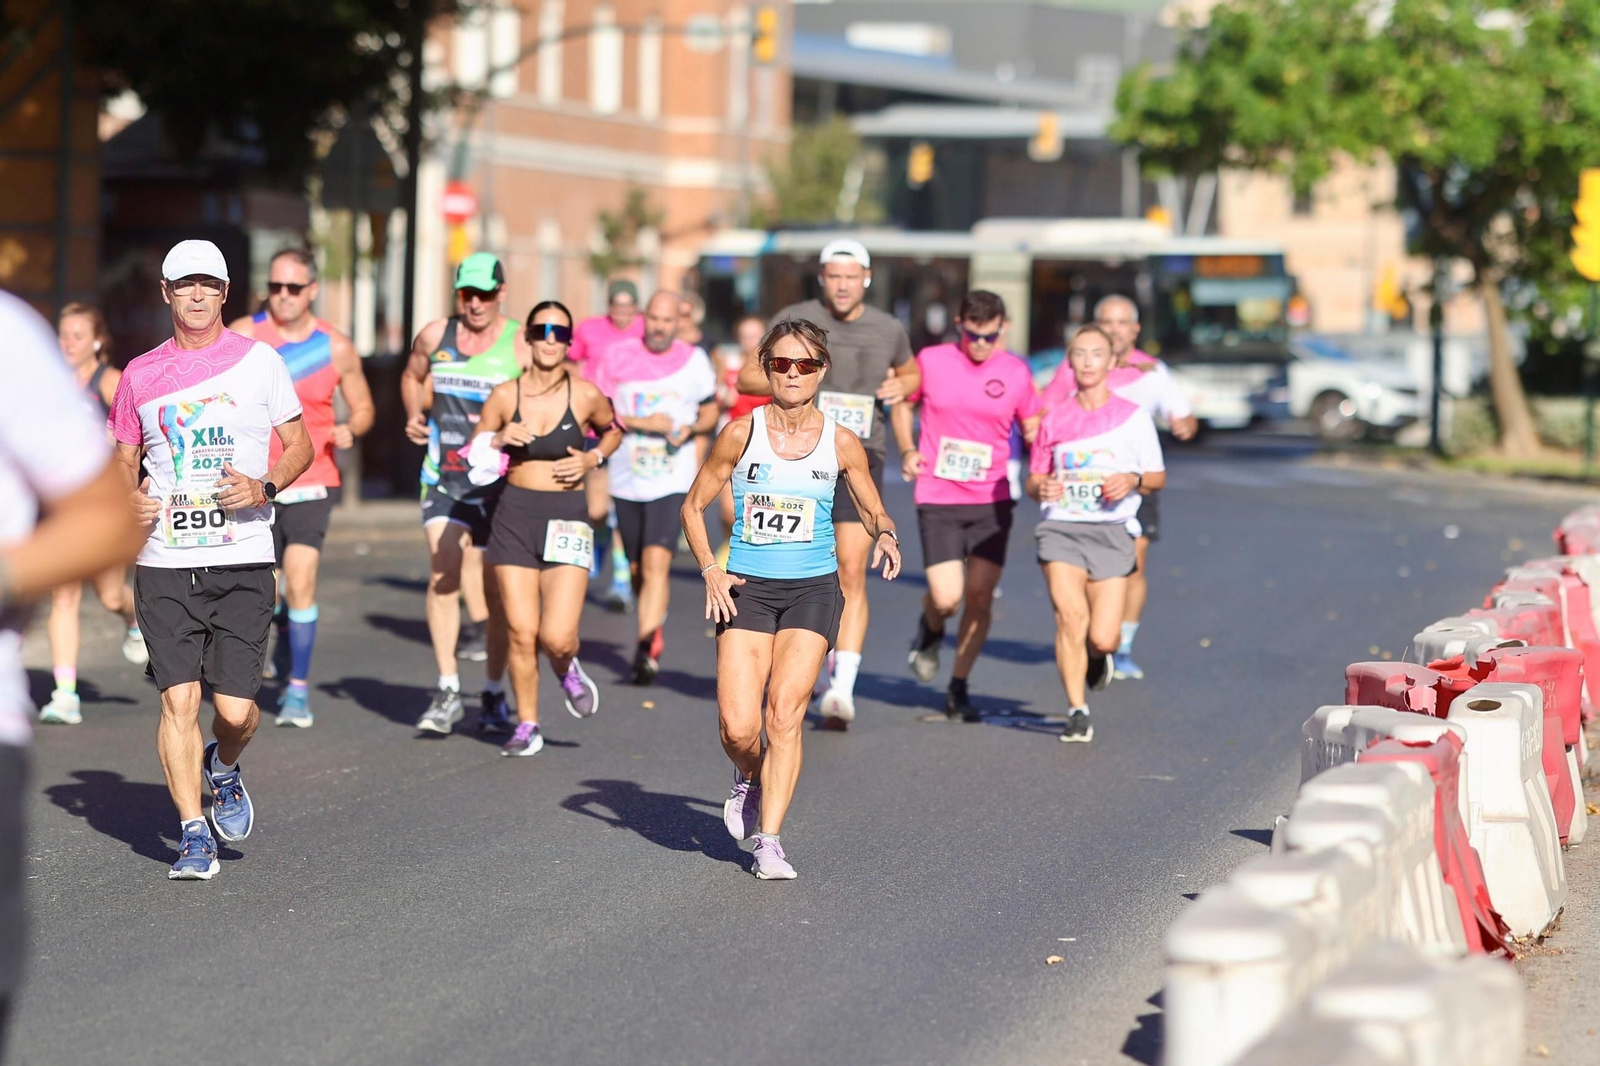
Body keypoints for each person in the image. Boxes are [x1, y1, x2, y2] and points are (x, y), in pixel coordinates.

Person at [107, 240, 314, 878]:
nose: (196, 296)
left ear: (225, 293)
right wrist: (127, 504)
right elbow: (118, 467)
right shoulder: (139, 375)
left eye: (208, 285)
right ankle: (192, 832)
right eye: (184, 285)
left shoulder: (262, 364)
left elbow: (301, 446)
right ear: (166, 293)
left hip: (244, 555)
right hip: (165, 559)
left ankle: (221, 767)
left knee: (234, 712)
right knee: (178, 702)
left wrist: (265, 486)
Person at [683, 319, 901, 880]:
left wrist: (886, 534)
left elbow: (873, 507)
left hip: (812, 589)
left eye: (805, 364)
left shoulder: (841, 440)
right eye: (781, 363)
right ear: (765, 369)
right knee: (738, 728)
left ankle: (770, 842)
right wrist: (711, 568)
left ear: (821, 370)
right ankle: (749, 777)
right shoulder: (739, 434)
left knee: (784, 713)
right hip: (747, 588)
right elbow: (692, 507)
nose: (793, 374)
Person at [0, 290, 143, 1048]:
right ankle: (66, 678)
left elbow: (109, 512)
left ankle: (121, 636)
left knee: (99, 596)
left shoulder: (10, 341)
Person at [740, 239, 918, 728]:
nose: (841, 284)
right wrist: (802, 378)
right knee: (797, 565)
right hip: (793, 454)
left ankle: (842, 686)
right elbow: (745, 378)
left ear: (865, 278)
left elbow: (909, 371)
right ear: (822, 279)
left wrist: (906, 385)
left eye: (850, 276)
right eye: (833, 276)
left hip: (858, 453)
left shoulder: (888, 327)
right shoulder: (795, 318)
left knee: (850, 569)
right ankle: (806, 661)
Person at [229, 248, 375, 727]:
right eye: (275, 287)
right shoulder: (246, 337)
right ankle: (279, 638)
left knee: (302, 581)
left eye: (293, 288)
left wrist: (354, 427)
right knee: (263, 592)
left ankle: (296, 691)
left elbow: (364, 407)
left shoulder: (335, 346)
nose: (283, 296)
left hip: (312, 479)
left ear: (312, 289)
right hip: (254, 485)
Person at [472, 301, 622, 754]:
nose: (551, 339)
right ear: (530, 338)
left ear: (570, 342)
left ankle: (565, 665)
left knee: (555, 636)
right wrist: (497, 440)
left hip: (568, 518)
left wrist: (593, 458)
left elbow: (613, 430)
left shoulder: (585, 394)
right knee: (520, 630)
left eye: (560, 332)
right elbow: (475, 451)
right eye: (542, 330)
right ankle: (528, 724)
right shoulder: (504, 395)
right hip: (514, 515)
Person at [892, 291, 1040, 721]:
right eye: (972, 335)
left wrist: (1050, 464)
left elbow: (1034, 426)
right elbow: (903, 403)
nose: (980, 344)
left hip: (993, 499)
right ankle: (931, 629)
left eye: (989, 336)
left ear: (1003, 328)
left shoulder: (1015, 372)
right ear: (959, 325)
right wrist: (906, 448)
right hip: (939, 495)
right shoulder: (932, 360)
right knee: (947, 596)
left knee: (980, 597)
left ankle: (958, 684)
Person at [401, 253, 531, 735]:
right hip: (444, 476)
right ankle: (449, 687)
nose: (474, 304)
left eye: (483, 294)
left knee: (497, 596)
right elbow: (413, 375)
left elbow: (546, 396)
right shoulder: (436, 336)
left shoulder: (519, 344)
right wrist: (415, 413)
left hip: (499, 485)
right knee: (443, 574)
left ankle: (494, 689)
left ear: (501, 293)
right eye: (466, 295)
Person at [1043, 294, 1195, 681]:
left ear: (1135, 329)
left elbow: (1183, 415)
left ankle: (1120, 645)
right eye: (1106, 322)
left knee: (1133, 565)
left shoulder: (1153, 371)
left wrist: (1183, 426)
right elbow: (1047, 411)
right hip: (1082, 487)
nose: (1114, 329)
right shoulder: (1075, 364)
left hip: (1134, 483)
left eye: (1121, 323)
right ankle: (1096, 635)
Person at [1028, 325, 1165, 744]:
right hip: (1062, 528)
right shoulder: (1054, 417)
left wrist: (1132, 478)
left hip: (1111, 530)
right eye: (1080, 354)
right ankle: (1077, 710)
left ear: (1111, 362)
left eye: (1096, 354)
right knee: (1070, 618)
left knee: (1103, 636)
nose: (1088, 362)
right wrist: (1042, 487)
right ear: (1069, 362)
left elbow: (1157, 477)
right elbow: (1034, 479)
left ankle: (1097, 655)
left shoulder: (1133, 417)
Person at [586, 292, 718, 684]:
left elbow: (710, 410)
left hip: (671, 478)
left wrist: (691, 428)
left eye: (667, 320)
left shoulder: (694, 360)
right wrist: (642, 423)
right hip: (626, 478)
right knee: (639, 567)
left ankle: (645, 648)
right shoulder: (618, 356)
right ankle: (651, 624)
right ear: (645, 319)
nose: (660, 327)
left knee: (658, 561)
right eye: (654, 319)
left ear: (679, 321)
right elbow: (596, 409)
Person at [38, 303, 147, 725]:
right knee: (63, 595)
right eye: (63, 334)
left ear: (97, 341)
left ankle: (132, 618)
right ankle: (65, 695)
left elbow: (134, 439)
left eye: (78, 335)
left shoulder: (112, 382)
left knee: (109, 595)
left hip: (103, 509)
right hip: (61, 509)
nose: (68, 343)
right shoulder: (47, 385)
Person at [570, 280, 644, 612]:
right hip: (597, 423)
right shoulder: (589, 329)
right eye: (617, 308)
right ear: (609, 305)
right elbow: (569, 361)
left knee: (623, 509)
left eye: (629, 308)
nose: (623, 315)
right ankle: (599, 535)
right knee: (598, 510)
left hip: (635, 428)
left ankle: (621, 582)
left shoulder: (646, 330)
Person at [715, 315, 769, 568]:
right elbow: (715, 394)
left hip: (763, 442)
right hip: (732, 439)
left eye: (755, 336)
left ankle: (749, 556)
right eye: (745, 336)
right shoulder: (729, 363)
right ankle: (730, 540)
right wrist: (722, 395)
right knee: (728, 510)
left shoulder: (773, 366)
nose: (750, 342)